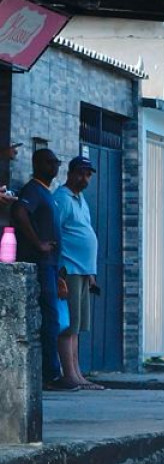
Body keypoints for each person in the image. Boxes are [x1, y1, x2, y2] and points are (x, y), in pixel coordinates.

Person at [8, 148, 63, 387]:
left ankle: (50, 372)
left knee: (53, 318)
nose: (54, 167)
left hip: (51, 266)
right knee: (49, 318)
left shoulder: (46, 192)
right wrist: (38, 243)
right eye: (50, 162)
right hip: (40, 264)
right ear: (38, 164)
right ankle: (50, 374)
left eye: (56, 162)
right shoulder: (33, 190)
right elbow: (19, 212)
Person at [49, 155, 103, 390]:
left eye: (88, 174)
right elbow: (55, 232)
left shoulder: (80, 199)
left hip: (83, 271)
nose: (85, 178)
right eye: (81, 173)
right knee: (68, 325)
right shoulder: (61, 198)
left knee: (78, 326)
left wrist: (91, 272)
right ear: (70, 173)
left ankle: (78, 374)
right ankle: (68, 374)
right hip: (68, 268)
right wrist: (58, 269)